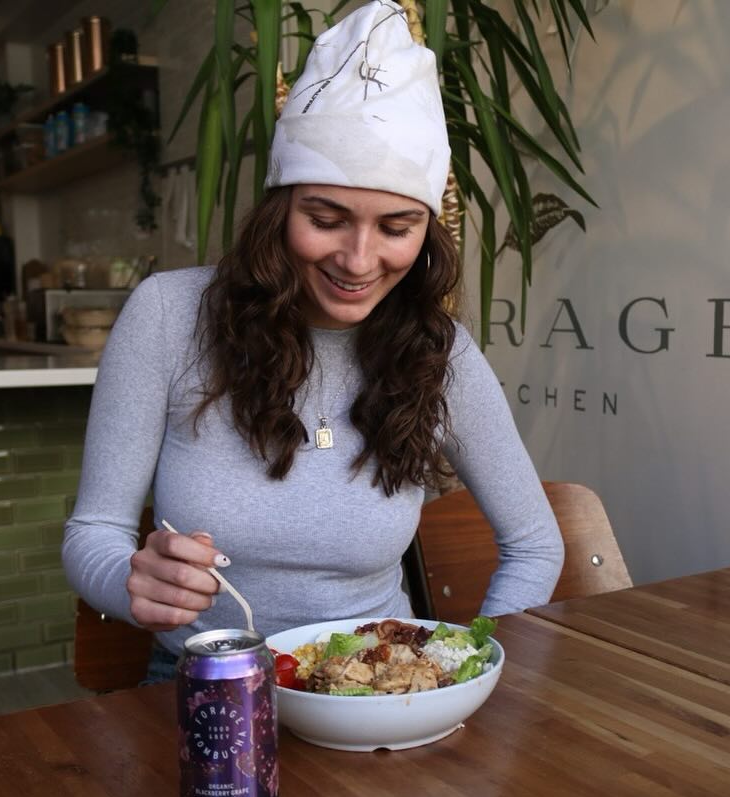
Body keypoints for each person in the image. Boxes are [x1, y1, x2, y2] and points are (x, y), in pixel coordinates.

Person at [62, 0, 563, 682]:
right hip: (213, 686)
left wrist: (462, 671)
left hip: (379, 693)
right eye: (325, 219)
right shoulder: (168, 316)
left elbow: (533, 544)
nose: (357, 261)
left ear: (427, 232)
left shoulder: (439, 351)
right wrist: (133, 582)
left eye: (396, 228)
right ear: (277, 212)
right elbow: (93, 532)